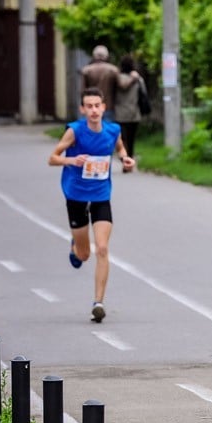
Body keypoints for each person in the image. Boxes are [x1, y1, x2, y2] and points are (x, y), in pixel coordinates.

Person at [48, 87, 136, 323]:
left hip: (100, 195)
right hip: (76, 194)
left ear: (104, 108)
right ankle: (76, 247)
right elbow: (52, 157)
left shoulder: (112, 130)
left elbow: (119, 148)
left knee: (103, 248)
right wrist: (71, 160)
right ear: (83, 109)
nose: (94, 110)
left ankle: (98, 303)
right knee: (84, 255)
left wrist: (125, 158)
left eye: (98, 105)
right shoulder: (74, 132)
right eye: (89, 106)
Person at [81, 45, 134, 122]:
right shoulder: (113, 70)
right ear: (106, 56)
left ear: (94, 56)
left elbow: (83, 91)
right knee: (107, 131)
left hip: (91, 107)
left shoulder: (87, 70)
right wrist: (133, 77)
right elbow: (123, 85)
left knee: (91, 131)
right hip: (108, 106)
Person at [115, 55, 146, 160]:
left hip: (119, 113)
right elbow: (144, 93)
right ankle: (130, 157)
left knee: (123, 138)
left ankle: (124, 156)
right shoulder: (138, 79)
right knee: (131, 139)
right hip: (134, 113)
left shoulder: (117, 78)